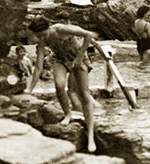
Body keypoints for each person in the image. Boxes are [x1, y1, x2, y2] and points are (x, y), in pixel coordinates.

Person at [26, 18, 100, 153]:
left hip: (78, 59)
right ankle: (68, 114)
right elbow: (38, 67)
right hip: (61, 60)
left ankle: (91, 136)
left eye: (44, 34)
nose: (42, 38)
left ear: (49, 27)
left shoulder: (61, 29)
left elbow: (89, 34)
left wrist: (79, 58)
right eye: (39, 36)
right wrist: (30, 89)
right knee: (59, 85)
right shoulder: (41, 41)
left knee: (84, 94)